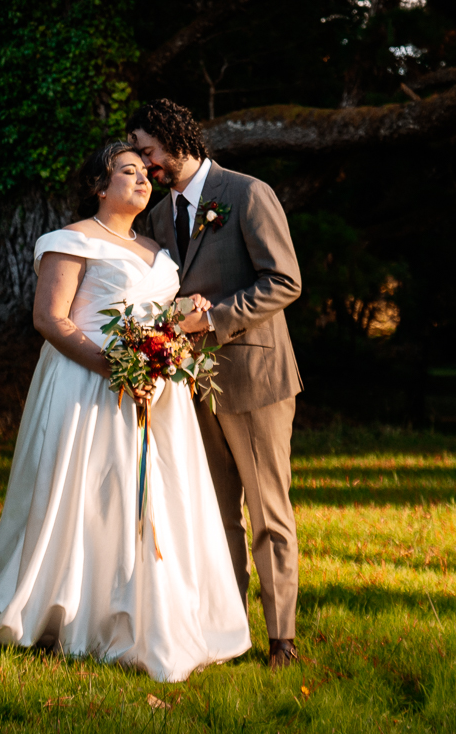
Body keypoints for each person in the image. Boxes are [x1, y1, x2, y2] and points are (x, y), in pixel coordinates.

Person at [0, 142, 252, 682]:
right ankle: (69, 608)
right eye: (129, 172)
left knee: (152, 499)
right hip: (84, 384)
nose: (144, 180)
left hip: (155, 394)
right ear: (100, 184)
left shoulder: (158, 250)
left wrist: (181, 329)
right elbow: (50, 319)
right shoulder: (71, 241)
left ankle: (142, 611)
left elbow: (162, 318)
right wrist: (114, 368)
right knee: (90, 492)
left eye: (146, 173)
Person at [128, 98, 305, 669]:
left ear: (176, 140)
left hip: (254, 375)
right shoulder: (158, 218)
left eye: (149, 152)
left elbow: (284, 280)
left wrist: (213, 317)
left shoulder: (247, 193)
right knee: (217, 513)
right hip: (190, 385)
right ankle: (232, 631)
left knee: (267, 509)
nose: (146, 165)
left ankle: (283, 639)